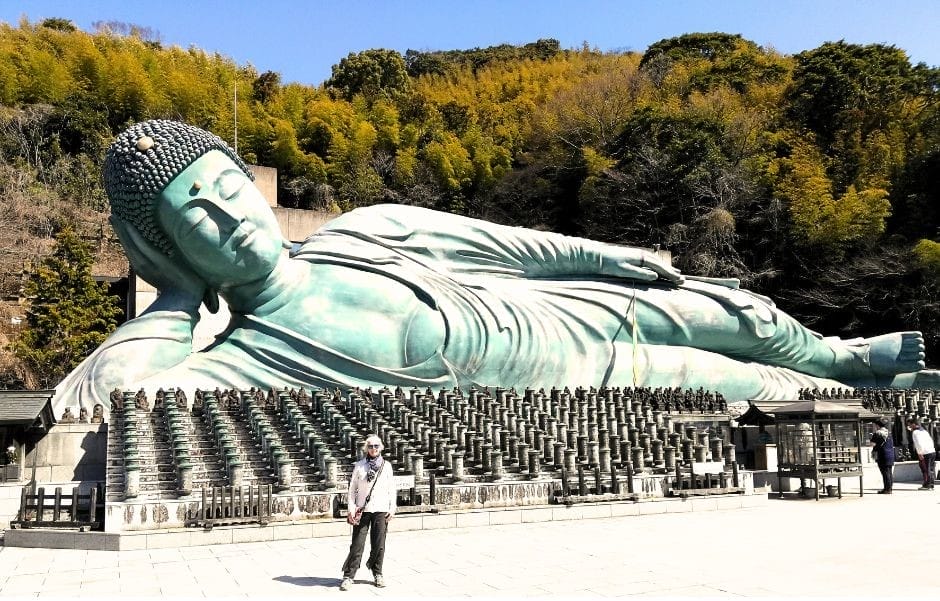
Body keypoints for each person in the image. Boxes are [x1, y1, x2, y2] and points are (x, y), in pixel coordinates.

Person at [51, 120, 938, 419]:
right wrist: (171, 294)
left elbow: (508, 245)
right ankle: (851, 385)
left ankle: (843, 352)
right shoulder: (240, 356)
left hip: (565, 311)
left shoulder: (365, 230)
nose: (227, 213)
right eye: (191, 218)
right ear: (169, 246)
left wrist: (607, 257)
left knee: (737, 315)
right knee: (740, 379)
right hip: (579, 380)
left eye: (226, 185)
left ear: (251, 179)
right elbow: (111, 397)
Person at [340, 435, 396, 591]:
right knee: (357, 544)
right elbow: (352, 490)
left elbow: (392, 489)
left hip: (381, 509)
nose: (373, 448)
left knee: (379, 544)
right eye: (370, 446)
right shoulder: (360, 466)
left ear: (381, 447)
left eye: (376, 446)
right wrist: (351, 508)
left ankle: (378, 573)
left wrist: (392, 508)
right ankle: (348, 576)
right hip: (362, 510)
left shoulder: (387, 466)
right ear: (366, 448)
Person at [906, 418, 936, 491]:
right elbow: (930, 440)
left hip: (924, 453)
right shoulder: (923, 431)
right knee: (931, 469)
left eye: (909, 425)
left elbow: (918, 444)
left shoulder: (915, 432)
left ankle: (927, 485)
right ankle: (931, 484)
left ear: (913, 424)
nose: (909, 426)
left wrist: (920, 453)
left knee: (926, 469)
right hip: (931, 451)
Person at [870, 418, 896, 494]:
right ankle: (889, 488)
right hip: (890, 454)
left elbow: (872, 444)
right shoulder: (889, 433)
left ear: (877, 425)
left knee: (885, 473)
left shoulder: (878, 433)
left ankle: (887, 489)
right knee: (889, 472)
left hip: (882, 455)